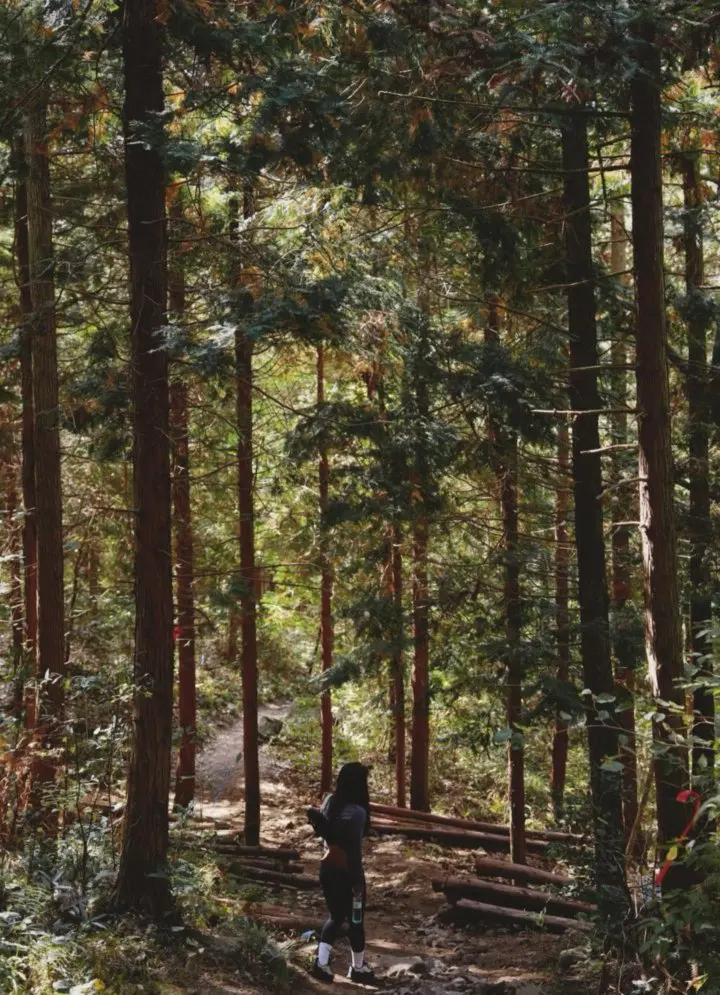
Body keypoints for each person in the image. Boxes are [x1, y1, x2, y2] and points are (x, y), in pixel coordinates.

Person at [307, 762, 377, 986]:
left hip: (328, 868)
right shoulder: (358, 813)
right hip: (348, 872)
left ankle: (321, 962)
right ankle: (358, 967)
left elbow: (327, 833)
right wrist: (357, 882)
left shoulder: (330, 801)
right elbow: (353, 850)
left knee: (336, 917)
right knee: (356, 920)